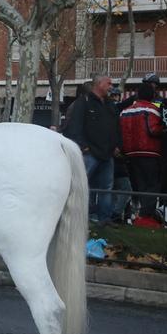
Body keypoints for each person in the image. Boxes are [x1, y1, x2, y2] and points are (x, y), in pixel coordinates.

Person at [65, 74, 119, 224]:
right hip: (90, 153)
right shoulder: (83, 103)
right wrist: (84, 147)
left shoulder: (109, 104)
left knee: (106, 187)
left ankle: (104, 218)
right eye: (108, 83)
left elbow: (115, 125)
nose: (111, 86)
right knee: (81, 186)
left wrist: (116, 145)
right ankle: (76, 218)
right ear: (99, 84)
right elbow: (75, 126)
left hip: (107, 153)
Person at [120, 83, 165, 228]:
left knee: (138, 185)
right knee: (152, 185)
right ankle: (146, 217)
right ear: (152, 96)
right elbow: (153, 130)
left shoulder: (124, 111)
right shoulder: (153, 110)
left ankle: (136, 214)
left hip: (130, 153)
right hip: (149, 152)